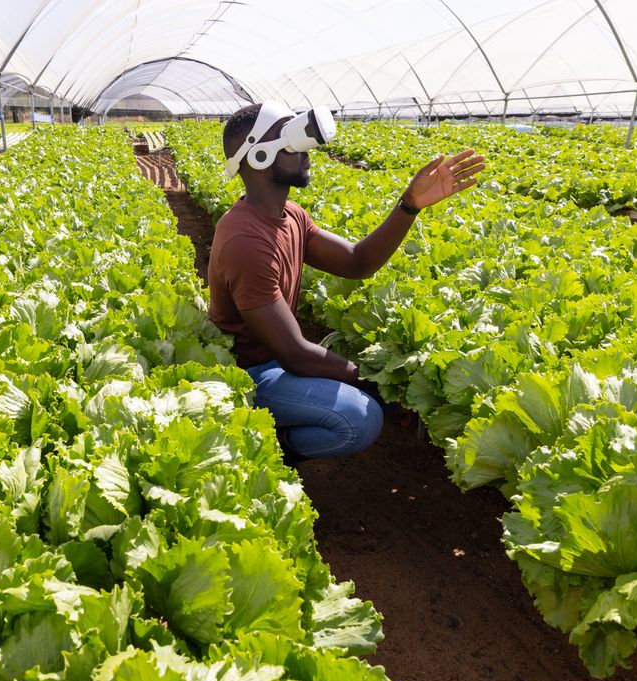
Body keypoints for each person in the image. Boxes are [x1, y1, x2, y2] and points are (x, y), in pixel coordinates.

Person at [208, 102, 485, 462]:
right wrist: (370, 380)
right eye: (293, 143)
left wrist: (409, 204)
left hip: (280, 359)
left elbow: (358, 262)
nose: (307, 153)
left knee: (366, 365)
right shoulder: (245, 240)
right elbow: (295, 352)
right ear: (259, 155)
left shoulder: (290, 215)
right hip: (249, 375)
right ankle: (265, 451)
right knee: (360, 418)